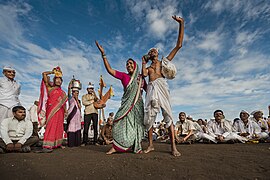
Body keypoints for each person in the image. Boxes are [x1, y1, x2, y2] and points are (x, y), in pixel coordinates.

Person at [142, 15, 184, 156]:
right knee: (149, 117)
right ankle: (151, 145)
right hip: (151, 88)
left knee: (168, 114)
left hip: (161, 86)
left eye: (155, 50)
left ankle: (173, 147)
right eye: (151, 50)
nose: (153, 50)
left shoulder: (163, 62)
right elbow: (143, 75)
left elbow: (179, 45)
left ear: (158, 53)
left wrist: (181, 23)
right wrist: (143, 61)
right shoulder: (148, 68)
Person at [95, 41, 145, 154]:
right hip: (126, 105)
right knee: (118, 123)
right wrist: (103, 55)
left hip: (137, 106)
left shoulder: (141, 79)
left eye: (131, 63)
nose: (129, 65)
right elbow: (110, 70)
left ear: (135, 66)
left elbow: (149, 89)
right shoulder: (124, 76)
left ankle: (135, 146)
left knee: (136, 126)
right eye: (127, 64)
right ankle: (116, 146)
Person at [40, 67, 68, 152]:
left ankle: (57, 143)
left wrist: (66, 111)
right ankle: (47, 145)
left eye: (60, 80)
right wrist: (53, 72)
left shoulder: (63, 92)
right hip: (52, 109)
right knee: (51, 125)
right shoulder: (50, 87)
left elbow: (64, 103)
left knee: (59, 126)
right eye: (57, 79)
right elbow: (44, 74)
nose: (58, 81)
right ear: (54, 80)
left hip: (61, 111)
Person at [66, 81, 82, 147]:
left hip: (77, 117)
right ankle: (71, 144)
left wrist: (77, 99)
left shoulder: (79, 100)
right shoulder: (70, 98)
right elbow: (68, 91)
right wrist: (70, 84)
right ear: (73, 93)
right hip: (72, 116)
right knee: (71, 128)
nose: (77, 94)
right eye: (75, 93)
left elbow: (80, 107)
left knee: (77, 128)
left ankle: (77, 143)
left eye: (78, 93)